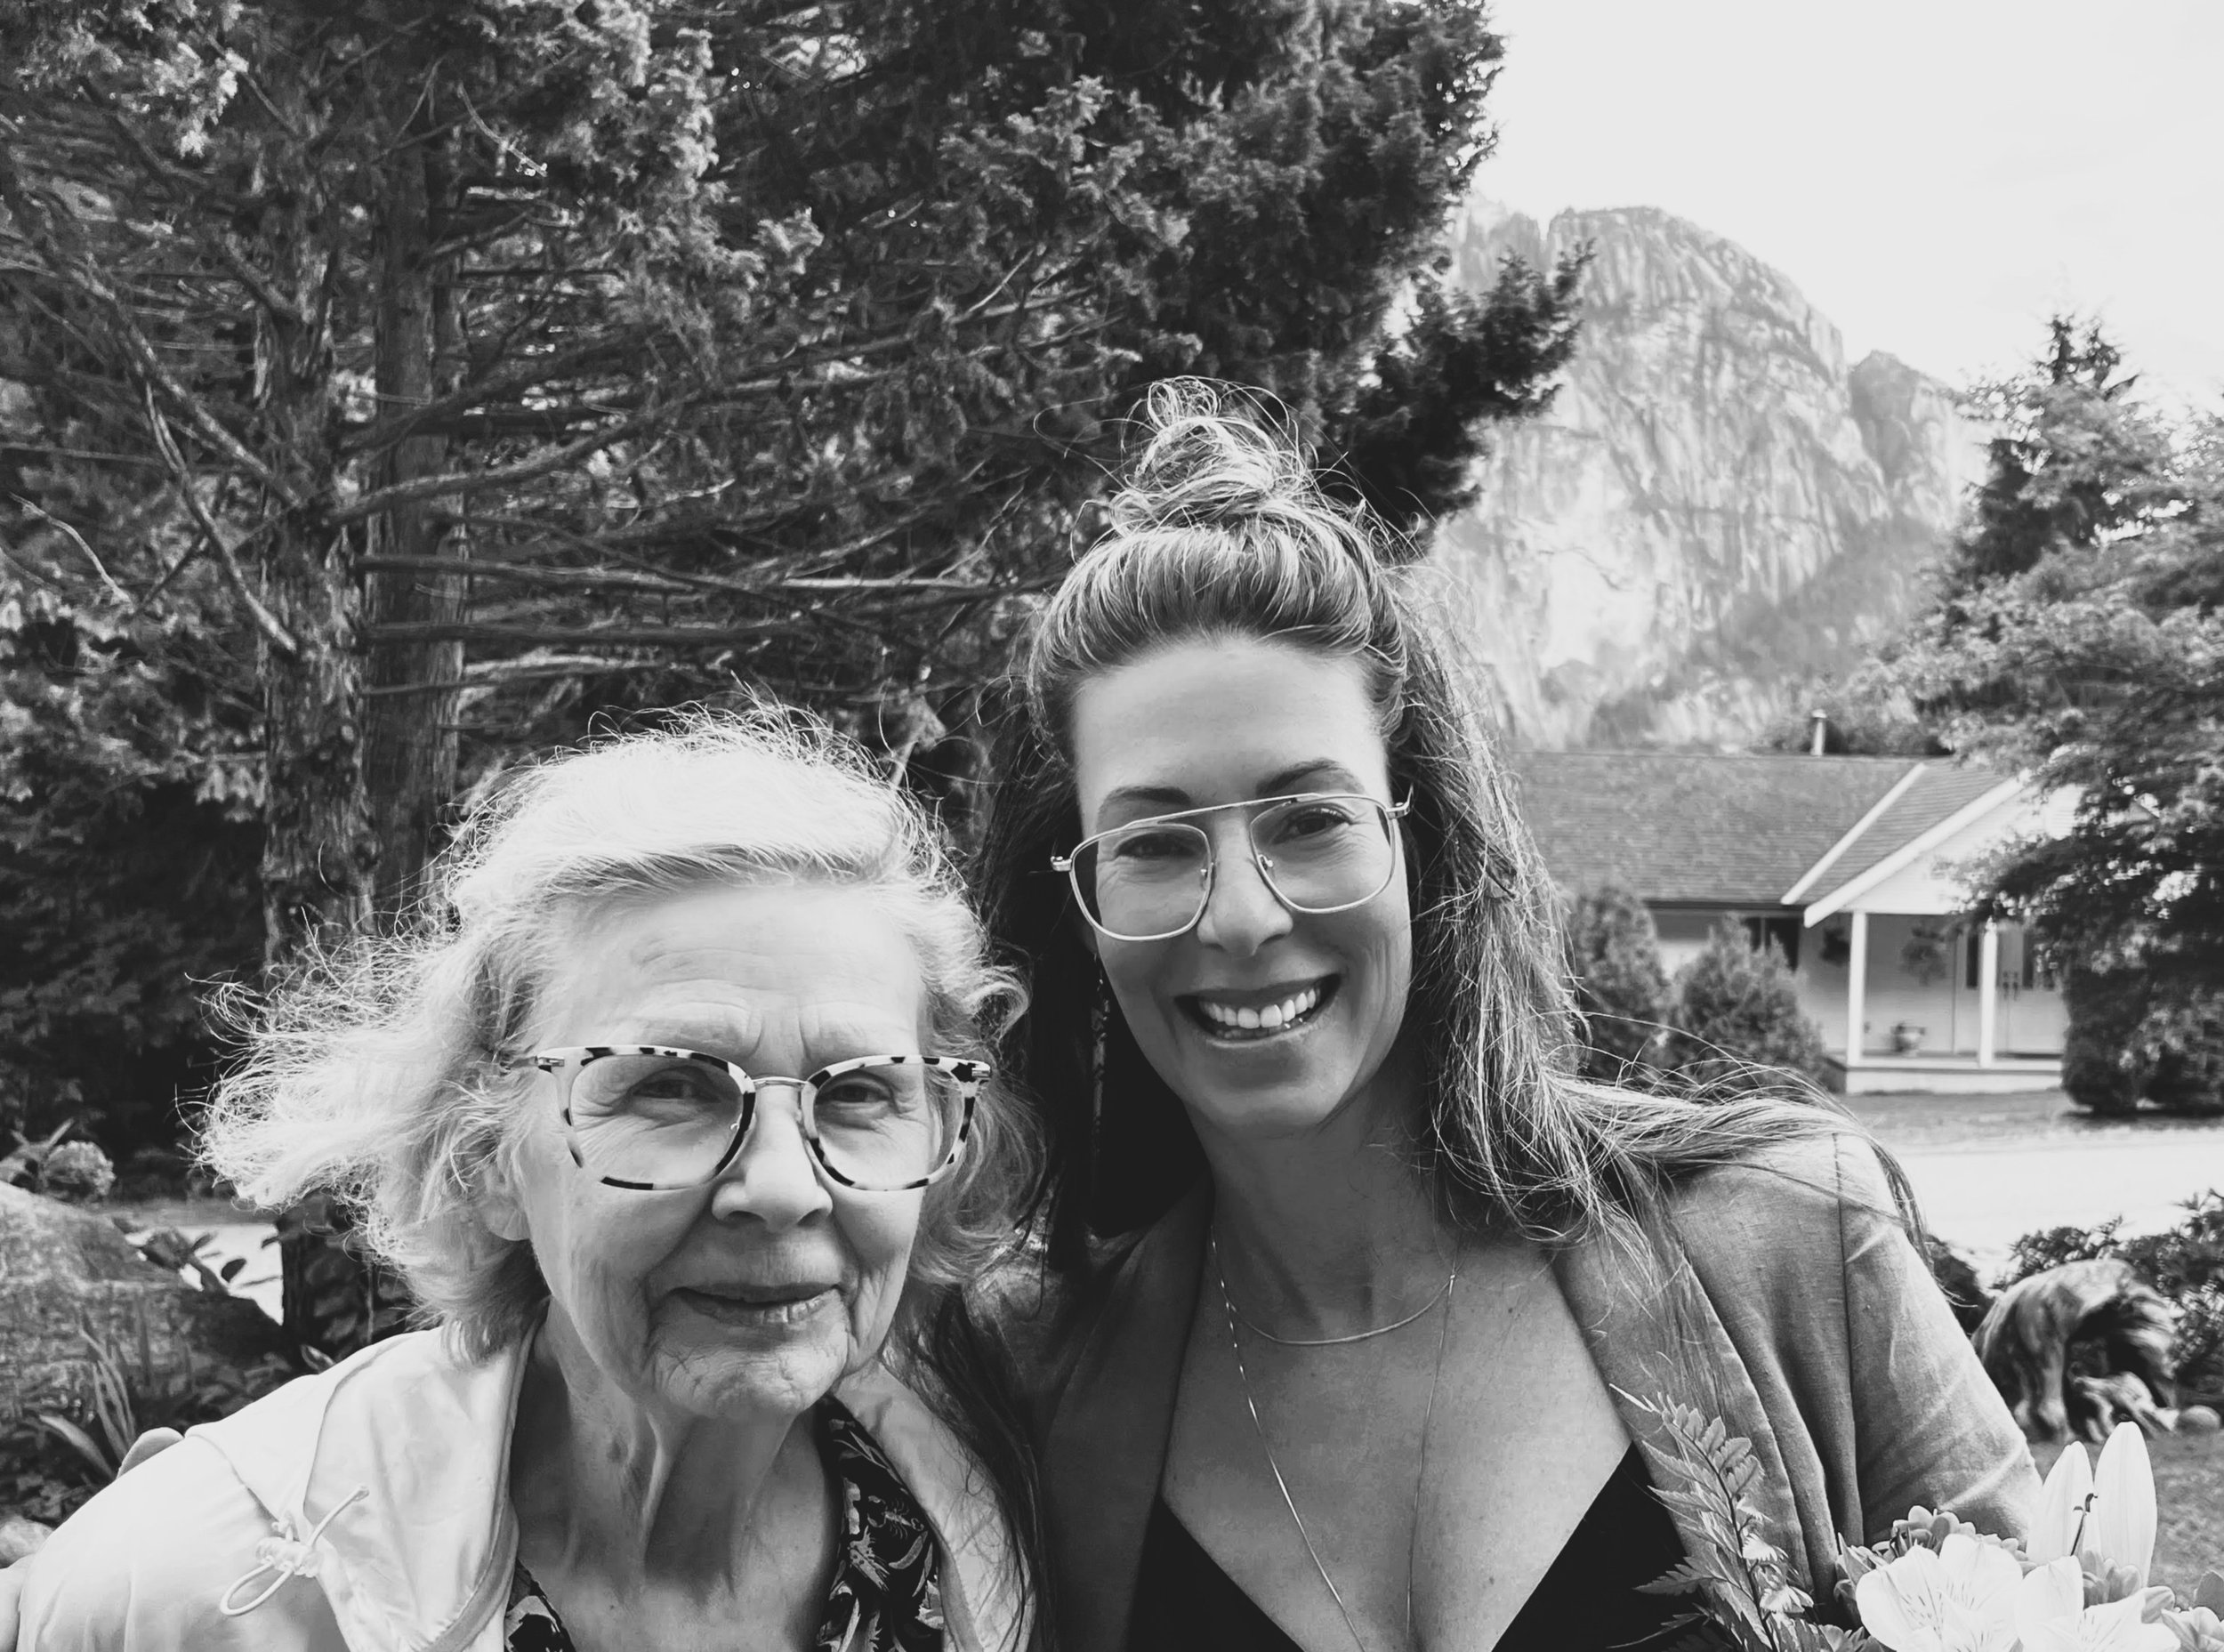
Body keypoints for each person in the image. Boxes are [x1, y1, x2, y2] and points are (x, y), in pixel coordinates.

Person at [973, 380, 2039, 1652]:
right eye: (1153, 842)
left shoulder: (1794, 1239)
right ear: (1080, 903)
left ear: (1426, 843)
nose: (1242, 916)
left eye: (1310, 819)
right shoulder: (1035, 1379)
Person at [7, 713, 1038, 1651]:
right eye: (671, 1088)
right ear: (483, 1155)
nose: (780, 1188)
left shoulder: (1007, 1498)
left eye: (859, 1092)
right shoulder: (197, 1590)